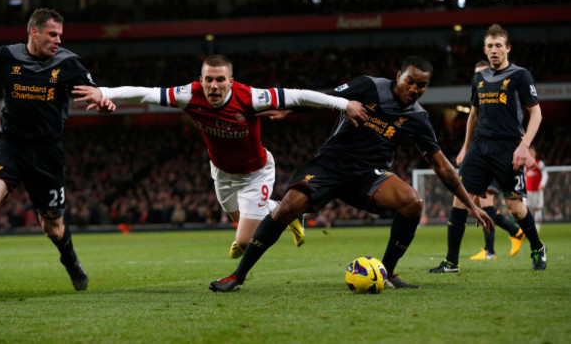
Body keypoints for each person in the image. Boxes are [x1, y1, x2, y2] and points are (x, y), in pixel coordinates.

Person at [208, 56, 493, 292]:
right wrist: (289, 110)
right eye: (411, 82)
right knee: (287, 209)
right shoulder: (369, 86)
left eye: (423, 85)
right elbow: (327, 97)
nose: (415, 89)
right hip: (330, 165)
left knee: (413, 201)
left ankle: (388, 273)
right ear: (399, 76)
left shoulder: (417, 119)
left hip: (368, 176)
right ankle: (238, 276)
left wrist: (470, 205)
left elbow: (442, 165)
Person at [72, 54, 367, 259]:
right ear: (201, 79)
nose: (213, 86)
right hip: (222, 173)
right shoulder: (189, 94)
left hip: (256, 173)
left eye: (220, 80)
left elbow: (301, 95)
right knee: (240, 219)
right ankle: (280, 209)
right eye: (208, 80)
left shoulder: (251, 97)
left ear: (230, 79)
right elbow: (146, 93)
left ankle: (280, 210)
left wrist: (343, 104)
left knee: (243, 241)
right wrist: (104, 91)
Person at [0, 8, 114, 296]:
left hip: (47, 153)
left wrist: (101, 99)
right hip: (10, 146)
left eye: (60, 35)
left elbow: (93, 89)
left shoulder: (69, 62)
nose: (58, 41)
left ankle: (70, 260)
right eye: (52, 34)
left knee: (53, 228)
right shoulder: (6, 56)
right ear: (33, 32)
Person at [429, 23, 546, 274]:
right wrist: (465, 147)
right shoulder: (478, 79)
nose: (494, 50)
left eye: (499, 46)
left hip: (509, 147)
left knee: (514, 207)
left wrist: (524, 147)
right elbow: (474, 114)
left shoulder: (520, 75)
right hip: (480, 147)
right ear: (484, 49)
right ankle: (451, 262)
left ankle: (537, 246)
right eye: (490, 46)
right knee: (460, 198)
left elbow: (536, 113)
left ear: (507, 48)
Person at [458, 61, 526, 261]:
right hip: (481, 151)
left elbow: (515, 124)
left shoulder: (502, 99)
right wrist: (466, 148)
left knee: (487, 201)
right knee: (478, 204)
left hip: (497, 153)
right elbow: (473, 118)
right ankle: (515, 232)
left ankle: (490, 250)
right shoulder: (481, 102)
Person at [525, 146, 548, 231]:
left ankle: (538, 226)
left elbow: (545, 174)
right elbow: (524, 176)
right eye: (529, 151)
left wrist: (542, 184)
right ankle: (530, 225)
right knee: (527, 208)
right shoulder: (525, 164)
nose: (531, 153)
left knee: (537, 208)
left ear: (535, 153)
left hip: (537, 190)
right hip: (528, 190)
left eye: (532, 151)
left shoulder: (539, 163)